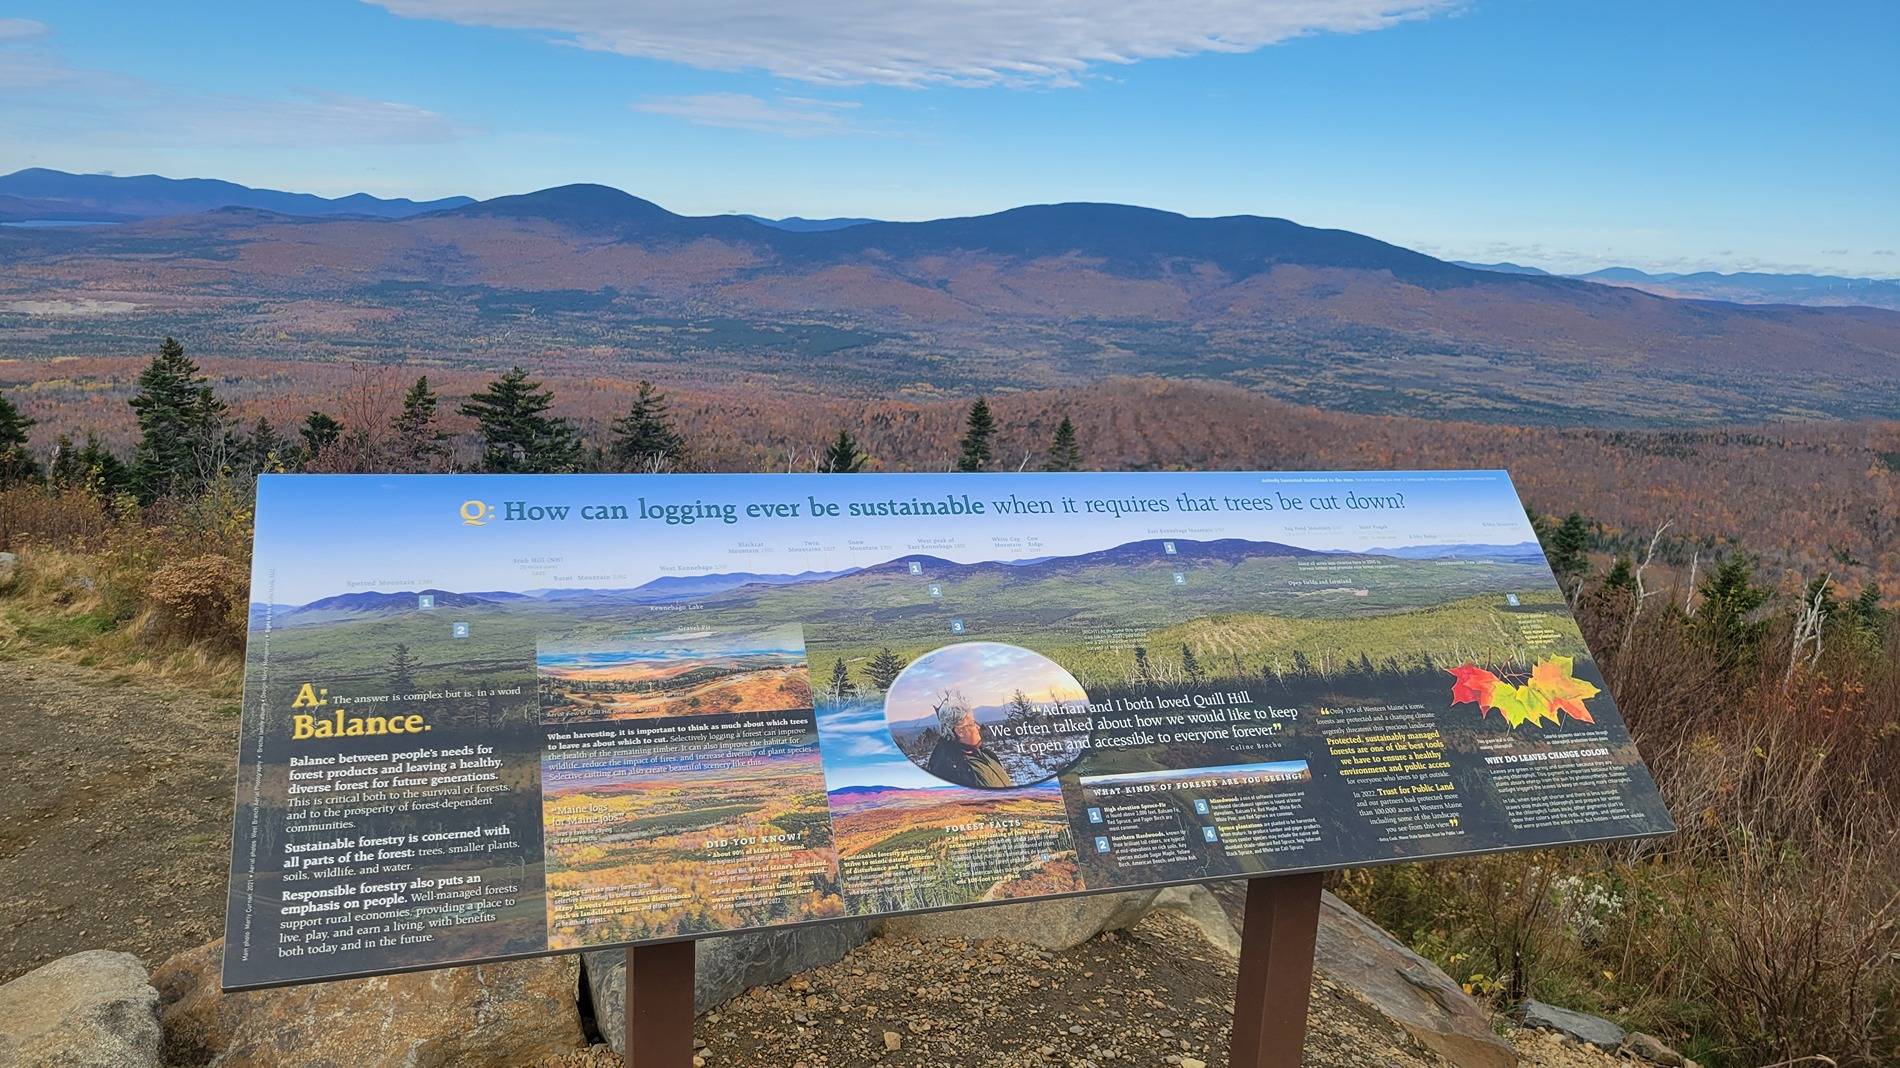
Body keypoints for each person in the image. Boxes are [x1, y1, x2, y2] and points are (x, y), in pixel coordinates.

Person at [924, 696, 1013, 788]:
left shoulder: (983, 754)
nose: (978, 727)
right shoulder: (952, 773)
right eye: (973, 723)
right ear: (960, 731)